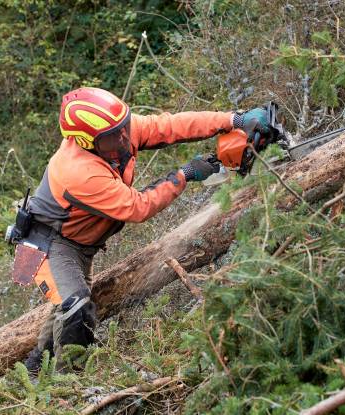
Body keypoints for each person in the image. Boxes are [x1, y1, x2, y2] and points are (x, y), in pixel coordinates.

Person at [21, 87, 273, 372]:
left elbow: (172, 126)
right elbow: (138, 207)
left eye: (123, 128)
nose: (124, 138)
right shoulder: (78, 172)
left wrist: (233, 120)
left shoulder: (116, 131)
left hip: (82, 241)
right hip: (52, 244)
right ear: (87, 142)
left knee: (67, 308)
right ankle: (66, 385)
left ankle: (33, 370)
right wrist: (184, 175)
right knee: (76, 308)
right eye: (112, 137)